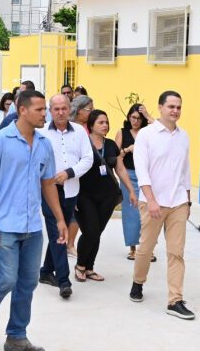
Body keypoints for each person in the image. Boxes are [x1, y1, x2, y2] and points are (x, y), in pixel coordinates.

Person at [0, 90, 67, 351]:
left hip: (32, 228)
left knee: (28, 283)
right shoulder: (0, 141)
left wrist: (59, 219)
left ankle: (16, 336)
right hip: (4, 226)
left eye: (45, 109)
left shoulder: (45, 144)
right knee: (6, 280)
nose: (44, 114)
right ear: (22, 110)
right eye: (39, 109)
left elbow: (47, 183)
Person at [129, 90, 195, 320]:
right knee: (146, 249)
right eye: (171, 107)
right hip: (152, 203)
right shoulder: (146, 135)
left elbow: (185, 170)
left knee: (176, 252)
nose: (175, 111)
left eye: (178, 107)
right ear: (160, 108)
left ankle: (175, 299)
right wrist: (152, 200)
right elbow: (142, 171)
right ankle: (138, 282)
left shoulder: (183, 136)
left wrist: (187, 200)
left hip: (177, 202)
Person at [37, 94, 93, 298]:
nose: (60, 112)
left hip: (71, 190)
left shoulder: (79, 131)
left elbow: (88, 159)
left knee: (59, 230)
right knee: (57, 232)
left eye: (64, 108)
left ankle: (45, 272)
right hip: (48, 189)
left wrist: (69, 172)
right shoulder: (40, 132)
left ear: (70, 109)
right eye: (56, 109)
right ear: (50, 110)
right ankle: (63, 280)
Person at [76, 109, 136, 282]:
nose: (105, 125)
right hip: (85, 195)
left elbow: (120, 168)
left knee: (97, 232)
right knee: (90, 230)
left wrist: (131, 190)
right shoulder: (83, 144)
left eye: (106, 122)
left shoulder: (110, 145)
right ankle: (80, 265)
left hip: (108, 196)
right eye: (101, 122)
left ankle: (89, 268)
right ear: (91, 126)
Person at [115, 103, 154, 260]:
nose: (135, 121)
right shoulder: (122, 133)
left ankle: (147, 247)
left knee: (148, 213)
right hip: (128, 175)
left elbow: (161, 129)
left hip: (147, 175)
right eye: (133, 117)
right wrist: (127, 150)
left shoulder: (148, 132)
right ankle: (133, 248)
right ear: (128, 117)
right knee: (131, 212)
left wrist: (149, 115)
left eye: (139, 118)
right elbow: (114, 155)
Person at [66, 94, 94, 257]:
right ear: (80, 110)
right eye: (90, 109)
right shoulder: (70, 127)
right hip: (72, 174)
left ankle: (70, 243)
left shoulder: (87, 127)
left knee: (78, 210)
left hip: (86, 174)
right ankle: (68, 244)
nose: (92, 112)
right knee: (72, 210)